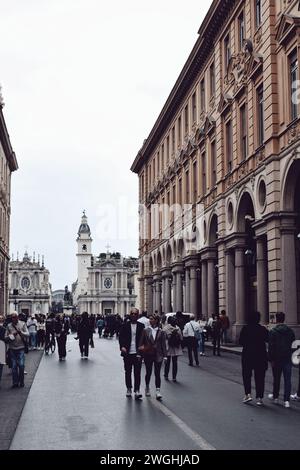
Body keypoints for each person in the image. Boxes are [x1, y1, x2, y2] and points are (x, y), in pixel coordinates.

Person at [239, 312, 269, 406]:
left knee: (247, 375)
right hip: (260, 355)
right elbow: (268, 339)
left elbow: (241, 342)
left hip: (248, 355)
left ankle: (248, 394)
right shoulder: (262, 329)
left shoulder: (245, 329)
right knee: (260, 377)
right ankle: (259, 398)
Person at [268, 312, 295, 408]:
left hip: (276, 358)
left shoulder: (273, 331)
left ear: (276, 319)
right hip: (287, 358)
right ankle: (286, 400)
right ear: (284, 319)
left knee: (276, 378)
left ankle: (275, 397)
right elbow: (293, 344)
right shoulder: (290, 331)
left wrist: (271, 359)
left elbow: (271, 347)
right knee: (287, 380)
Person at [138, 314, 167, 400]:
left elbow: (163, 345)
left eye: (152, 319)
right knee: (148, 372)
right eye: (150, 319)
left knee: (157, 373)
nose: (150, 321)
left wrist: (165, 356)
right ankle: (147, 387)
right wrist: (140, 353)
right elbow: (141, 343)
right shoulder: (145, 330)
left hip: (158, 354)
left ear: (156, 320)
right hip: (148, 354)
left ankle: (158, 391)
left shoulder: (161, 332)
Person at [119, 308, 145, 399]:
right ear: (130, 315)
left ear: (138, 315)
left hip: (137, 353)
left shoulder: (141, 326)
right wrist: (122, 346)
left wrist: (143, 347)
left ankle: (137, 390)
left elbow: (144, 339)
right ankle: (129, 388)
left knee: (137, 372)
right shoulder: (124, 325)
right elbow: (121, 337)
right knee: (128, 372)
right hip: (127, 352)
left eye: (135, 314)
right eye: (132, 314)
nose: (133, 315)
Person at [5, 312, 29, 388]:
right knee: (14, 366)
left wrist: (21, 332)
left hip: (21, 348)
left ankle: (21, 381)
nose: (14, 319)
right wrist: (13, 335)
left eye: (15, 317)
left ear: (18, 317)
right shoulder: (9, 326)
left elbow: (28, 334)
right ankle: (15, 382)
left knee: (21, 365)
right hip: (12, 349)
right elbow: (6, 338)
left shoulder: (23, 324)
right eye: (12, 317)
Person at [163, 316, 183, 382]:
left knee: (167, 362)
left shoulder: (165, 328)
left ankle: (166, 375)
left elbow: (163, 338)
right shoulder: (178, 328)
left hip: (168, 346)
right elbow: (181, 338)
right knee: (175, 362)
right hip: (176, 347)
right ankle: (174, 377)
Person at [0, 315, 7, 386]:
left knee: (1, 365)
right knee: (0, 365)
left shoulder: (4, 328)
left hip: (2, 346)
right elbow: (5, 339)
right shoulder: (4, 328)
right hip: (1, 345)